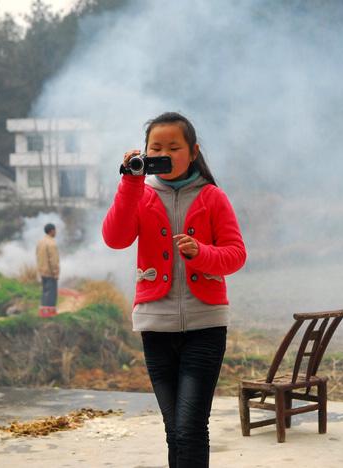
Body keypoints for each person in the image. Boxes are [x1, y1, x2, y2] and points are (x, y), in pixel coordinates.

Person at [102, 112, 246, 468]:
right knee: (174, 429)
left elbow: (236, 255)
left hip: (205, 326)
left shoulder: (213, 197)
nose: (164, 153)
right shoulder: (141, 196)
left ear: (193, 151)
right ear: (145, 153)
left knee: (190, 427)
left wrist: (202, 253)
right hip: (156, 324)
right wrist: (130, 183)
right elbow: (115, 238)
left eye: (173, 147)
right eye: (156, 147)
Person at [36, 223, 60, 317]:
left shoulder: (40, 242)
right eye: (55, 230)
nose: (56, 232)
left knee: (45, 291)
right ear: (52, 231)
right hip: (50, 272)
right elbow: (53, 261)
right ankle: (50, 313)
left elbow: (37, 256)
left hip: (42, 271)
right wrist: (56, 273)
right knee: (51, 293)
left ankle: (43, 312)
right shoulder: (52, 243)